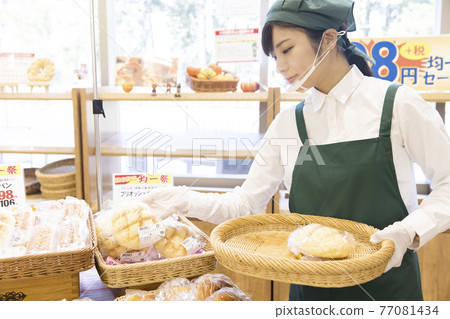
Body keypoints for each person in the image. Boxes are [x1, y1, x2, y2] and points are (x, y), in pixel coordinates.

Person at [141, 0, 450, 300]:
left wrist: (407, 232)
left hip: (387, 291)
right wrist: (180, 199)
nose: (281, 66)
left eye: (287, 50)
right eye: (275, 57)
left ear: (329, 39)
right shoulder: (289, 122)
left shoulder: (398, 104)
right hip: (309, 293)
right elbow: (244, 205)